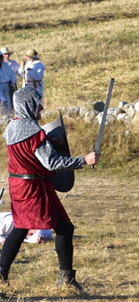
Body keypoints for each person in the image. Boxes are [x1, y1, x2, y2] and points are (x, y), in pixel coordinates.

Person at [0, 87, 99, 290]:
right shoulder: (34, 132)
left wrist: (50, 141)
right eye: (37, 103)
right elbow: (52, 163)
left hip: (20, 185)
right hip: (34, 188)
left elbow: (28, 154)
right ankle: (65, 279)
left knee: (58, 227)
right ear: (27, 105)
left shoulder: (12, 128)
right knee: (25, 228)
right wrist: (84, 160)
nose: (41, 107)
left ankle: (67, 279)